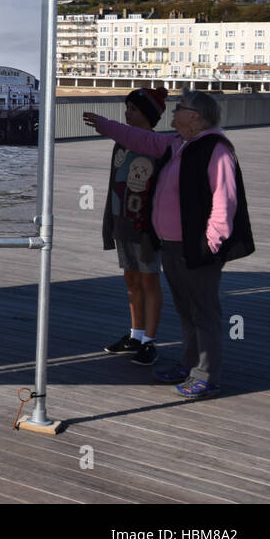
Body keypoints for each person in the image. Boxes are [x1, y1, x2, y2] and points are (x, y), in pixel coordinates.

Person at [83, 90, 254, 398]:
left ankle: (207, 375)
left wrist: (209, 245)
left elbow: (224, 202)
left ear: (196, 117)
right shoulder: (179, 143)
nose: (173, 114)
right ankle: (188, 365)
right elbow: (143, 141)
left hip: (198, 248)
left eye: (180, 109)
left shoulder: (216, 149)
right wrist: (106, 125)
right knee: (186, 312)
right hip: (172, 245)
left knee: (204, 313)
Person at [100, 87, 168, 366]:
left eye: (134, 110)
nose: (127, 114)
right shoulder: (121, 144)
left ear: (149, 116)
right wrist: (110, 222)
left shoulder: (159, 146)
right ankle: (135, 334)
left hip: (146, 225)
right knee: (131, 279)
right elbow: (113, 184)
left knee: (149, 279)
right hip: (123, 222)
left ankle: (149, 341)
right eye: (126, 108)